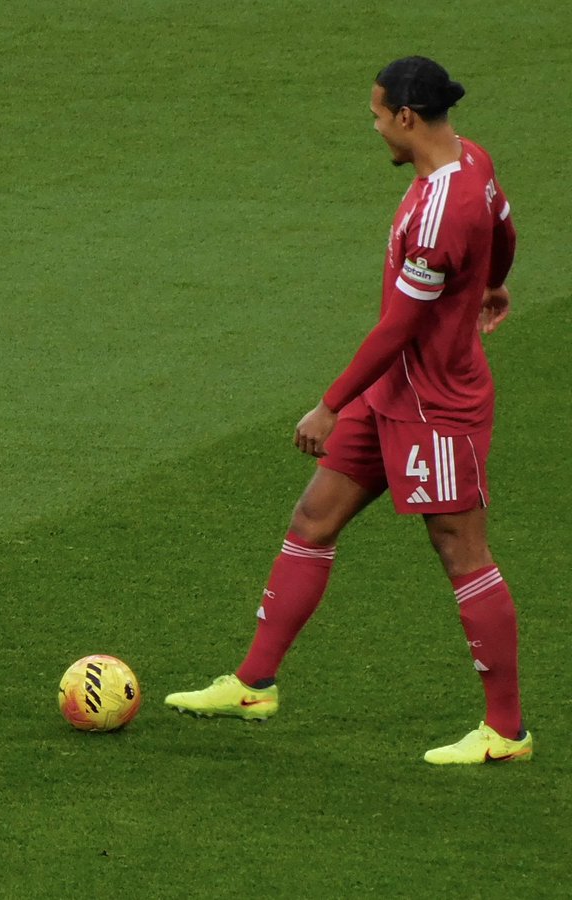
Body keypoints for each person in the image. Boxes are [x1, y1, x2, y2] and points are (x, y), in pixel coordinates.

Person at [163, 57, 528, 765]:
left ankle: (506, 731)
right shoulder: (473, 162)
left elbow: (397, 327)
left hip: (437, 407)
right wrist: (496, 283)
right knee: (313, 517)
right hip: (395, 392)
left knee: (462, 553)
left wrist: (330, 406)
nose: (373, 127)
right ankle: (253, 683)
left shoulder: (439, 214)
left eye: (375, 115)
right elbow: (507, 226)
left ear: (406, 119)